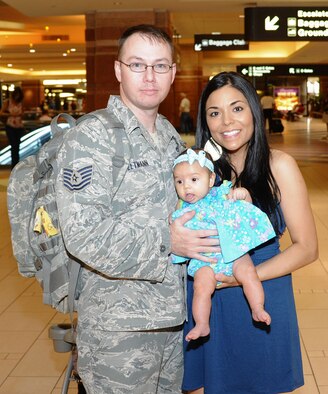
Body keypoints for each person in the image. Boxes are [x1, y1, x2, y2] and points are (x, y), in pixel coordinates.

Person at [55, 24, 218, 394]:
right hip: (119, 330)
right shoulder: (92, 136)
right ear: (118, 71)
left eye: (160, 66)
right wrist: (169, 242)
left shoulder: (169, 135)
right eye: (137, 65)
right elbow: (83, 234)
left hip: (172, 320)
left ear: (173, 74)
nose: (149, 76)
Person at [171, 71, 318, 394]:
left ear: (253, 110)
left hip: (262, 297)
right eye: (214, 113)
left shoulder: (278, 166)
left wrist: (243, 277)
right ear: (204, 122)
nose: (226, 122)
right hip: (206, 302)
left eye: (237, 108)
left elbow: (307, 248)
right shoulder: (195, 174)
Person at [171, 148, 275, 342]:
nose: (186, 187)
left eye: (194, 180)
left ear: (211, 180)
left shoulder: (223, 193)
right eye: (179, 181)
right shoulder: (180, 209)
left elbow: (246, 208)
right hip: (206, 260)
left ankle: (257, 307)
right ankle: (201, 324)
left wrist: (243, 194)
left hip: (234, 253)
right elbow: (175, 235)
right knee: (201, 288)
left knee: (249, 274)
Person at [0, 86, 25, 168]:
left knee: (17, 146)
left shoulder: (21, 102)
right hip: (10, 125)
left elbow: (22, 113)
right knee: (13, 145)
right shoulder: (8, 102)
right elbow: (1, 113)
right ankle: (14, 165)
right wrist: (11, 114)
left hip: (19, 126)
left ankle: (16, 164)